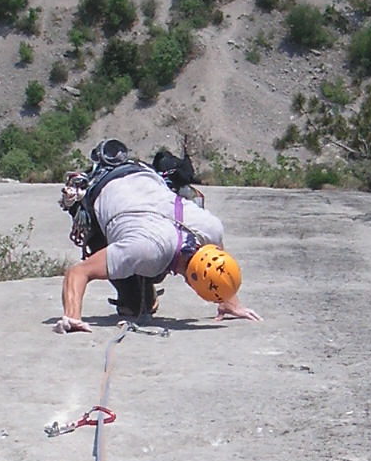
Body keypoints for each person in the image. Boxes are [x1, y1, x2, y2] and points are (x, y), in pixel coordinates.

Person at [55, 139, 260, 332]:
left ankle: (138, 284)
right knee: (137, 301)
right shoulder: (144, 250)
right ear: (192, 284)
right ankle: (131, 288)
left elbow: (217, 265)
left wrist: (228, 301)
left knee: (153, 268)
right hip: (103, 190)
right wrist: (72, 317)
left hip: (142, 173)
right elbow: (78, 272)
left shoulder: (210, 229)